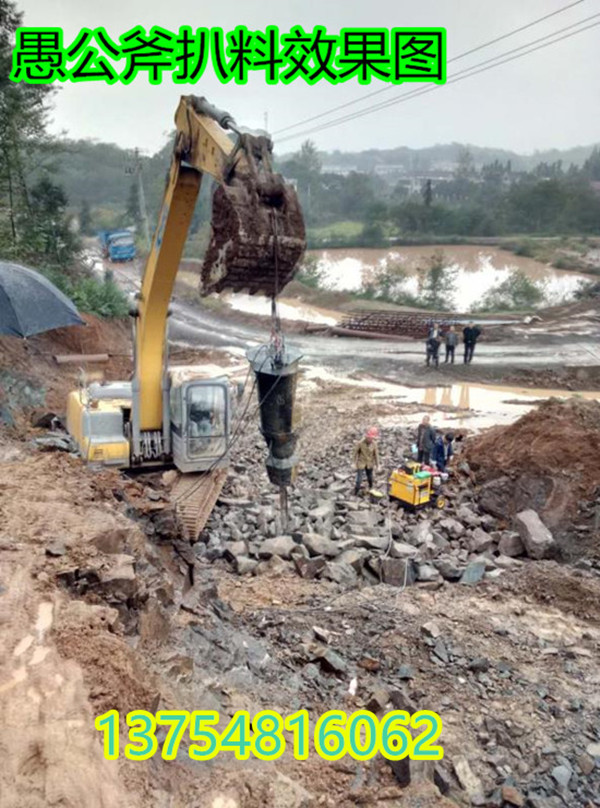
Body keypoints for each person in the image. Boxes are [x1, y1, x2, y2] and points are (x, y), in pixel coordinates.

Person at [353, 427, 379, 495]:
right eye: (369, 438)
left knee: (370, 477)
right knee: (359, 480)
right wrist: (354, 463)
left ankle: (371, 487)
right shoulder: (360, 443)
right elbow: (355, 453)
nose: (370, 439)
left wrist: (377, 465)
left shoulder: (374, 444)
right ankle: (356, 491)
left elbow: (376, 455)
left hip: (370, 464)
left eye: (371, 438)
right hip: (361, 463)